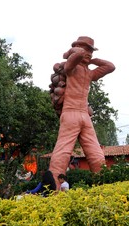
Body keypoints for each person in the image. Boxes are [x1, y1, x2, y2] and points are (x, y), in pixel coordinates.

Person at [49, 36, 115, 190]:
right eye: (87, 49)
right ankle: (53, 191)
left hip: (85, 116)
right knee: (63, 151)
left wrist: (92, 60)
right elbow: (77, 55)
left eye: (91, 51)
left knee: (96, 154)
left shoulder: (89, 73)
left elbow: (110, 66)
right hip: (70, 112)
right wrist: (72, 52)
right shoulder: (70, 68)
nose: (88, 53)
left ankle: (102, 189)